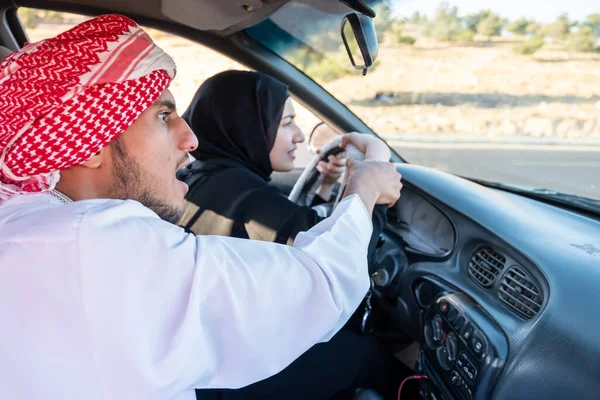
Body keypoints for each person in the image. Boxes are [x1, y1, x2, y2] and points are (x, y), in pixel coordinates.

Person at [0, 14, 402, 400]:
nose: (191, 138)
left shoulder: (26, 223)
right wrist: (363, 187)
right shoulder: (92, 242)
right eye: (163, 116)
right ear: (88, 144)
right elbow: (317, 285)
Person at [177, 71, 401, 400]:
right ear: (246, 125)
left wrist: (326, 185)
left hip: (211, 357)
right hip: (226, 379)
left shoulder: (205, 177)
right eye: (286, 124)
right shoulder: (239, 194)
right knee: (364, 354)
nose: (298, 136)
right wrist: (375, 164)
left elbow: (300, 233)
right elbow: (342, 264)